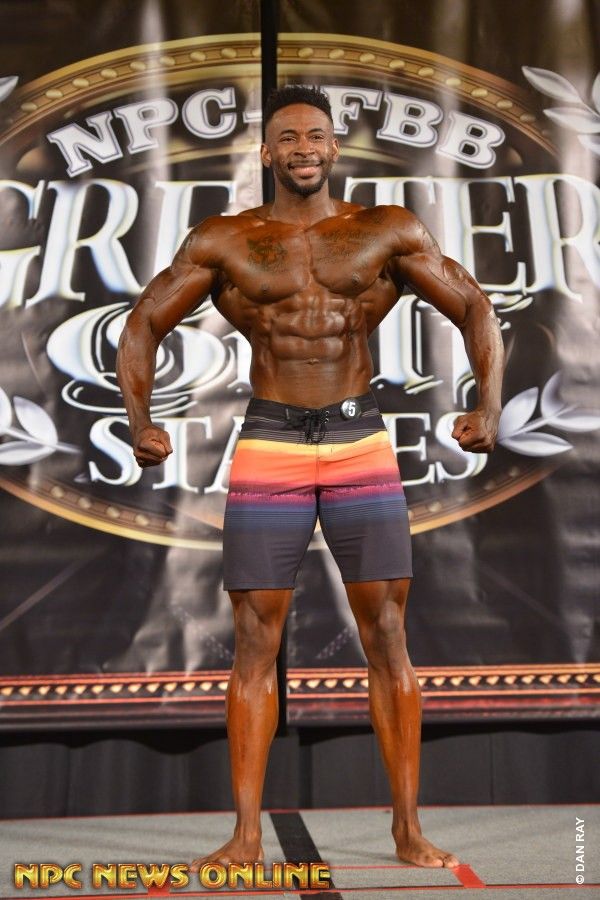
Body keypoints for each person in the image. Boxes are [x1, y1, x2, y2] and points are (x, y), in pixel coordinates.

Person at [116, 85, 503, 870]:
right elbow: (143, 323)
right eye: (287, 137)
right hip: (272, 441)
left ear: (334, 147)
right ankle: (246, 835)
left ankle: (407, 828)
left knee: (387, 633)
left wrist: (487, 404)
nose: (302, 148)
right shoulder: (225, 239)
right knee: (255, 639)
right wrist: (140, 420)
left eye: (315, 135)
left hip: (359, 438)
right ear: (266, 152)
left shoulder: (385, 229)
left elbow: (473, 306)